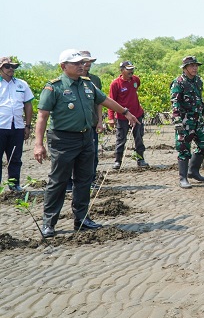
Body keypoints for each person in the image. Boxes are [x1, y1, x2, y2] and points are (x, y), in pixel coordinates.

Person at [33, 49, 139, 237]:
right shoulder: (54, 87)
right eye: (76, 63)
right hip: (63, 139)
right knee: (58, 181)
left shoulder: (88, 85)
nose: (81, 66)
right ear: (64, 66)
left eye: (82, 63)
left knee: (84, 180)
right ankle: (49, 222)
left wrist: (125, 112)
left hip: (86, 138)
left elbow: (105, 100)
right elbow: (42, 117)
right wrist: (38, 144)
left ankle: (81, 219)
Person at [171, 56, 204, 189]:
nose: (195, 68)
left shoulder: (198, 81)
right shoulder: (178, 82)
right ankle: (183, 178)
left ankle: (193, 170)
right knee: (183, 148)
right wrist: (177, 120)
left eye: (196, 65)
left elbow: (200, 99)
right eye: (192, 66)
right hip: (184, 120)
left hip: (197, 119)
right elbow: (175, 102)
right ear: (185, 68)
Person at [0, 57, 34, 191]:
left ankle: (14, 185)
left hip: (17, 126)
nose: (11, 69)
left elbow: (28, 105)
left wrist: (28, 125)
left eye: (13, 66)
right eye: (7, 66)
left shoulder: (22, 84)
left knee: (15, 158)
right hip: (1, 126)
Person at [107, 60, 148, 169]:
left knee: (139, 138)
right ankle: (117, 161)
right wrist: (111, 118)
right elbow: (111, 101)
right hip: (122, 117)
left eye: (132, 69)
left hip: (137, 114)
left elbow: (134, 90)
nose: (131, 71)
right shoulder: (115, 84)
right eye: (128, 69)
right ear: (122, 70)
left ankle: (140, 159)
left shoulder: (136, 80)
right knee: (121, 139)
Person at [79, 50, 104, 183]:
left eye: (89, 61)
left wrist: (100, 120)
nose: (87, 64)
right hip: (75, 126)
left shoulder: (95, 80)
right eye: (84, 61)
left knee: (92, 154)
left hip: (92, 124)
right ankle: (71, 182)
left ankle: (91, 180)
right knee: (74, 156)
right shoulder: (71, 79)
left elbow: (99, 102)